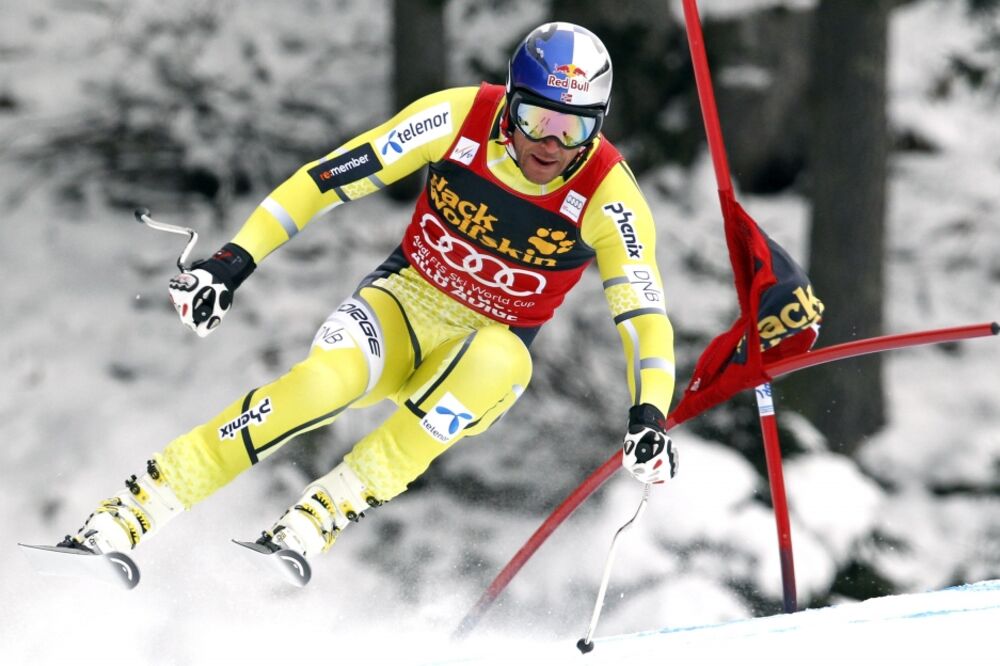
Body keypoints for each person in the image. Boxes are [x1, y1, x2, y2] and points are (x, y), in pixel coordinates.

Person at [62, 22, 679, 570]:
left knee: (504, 360)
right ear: (508, 104)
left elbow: (645, 320)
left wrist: (648, 415)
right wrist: (232, 262)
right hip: (403, 305)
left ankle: (320, 515)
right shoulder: (457, 116)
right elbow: (325, 180)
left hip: (480, 355)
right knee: (315, 391)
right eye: (537, 120)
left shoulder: (608, 194)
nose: (552, 144)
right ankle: (135, 507)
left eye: (574, 127)